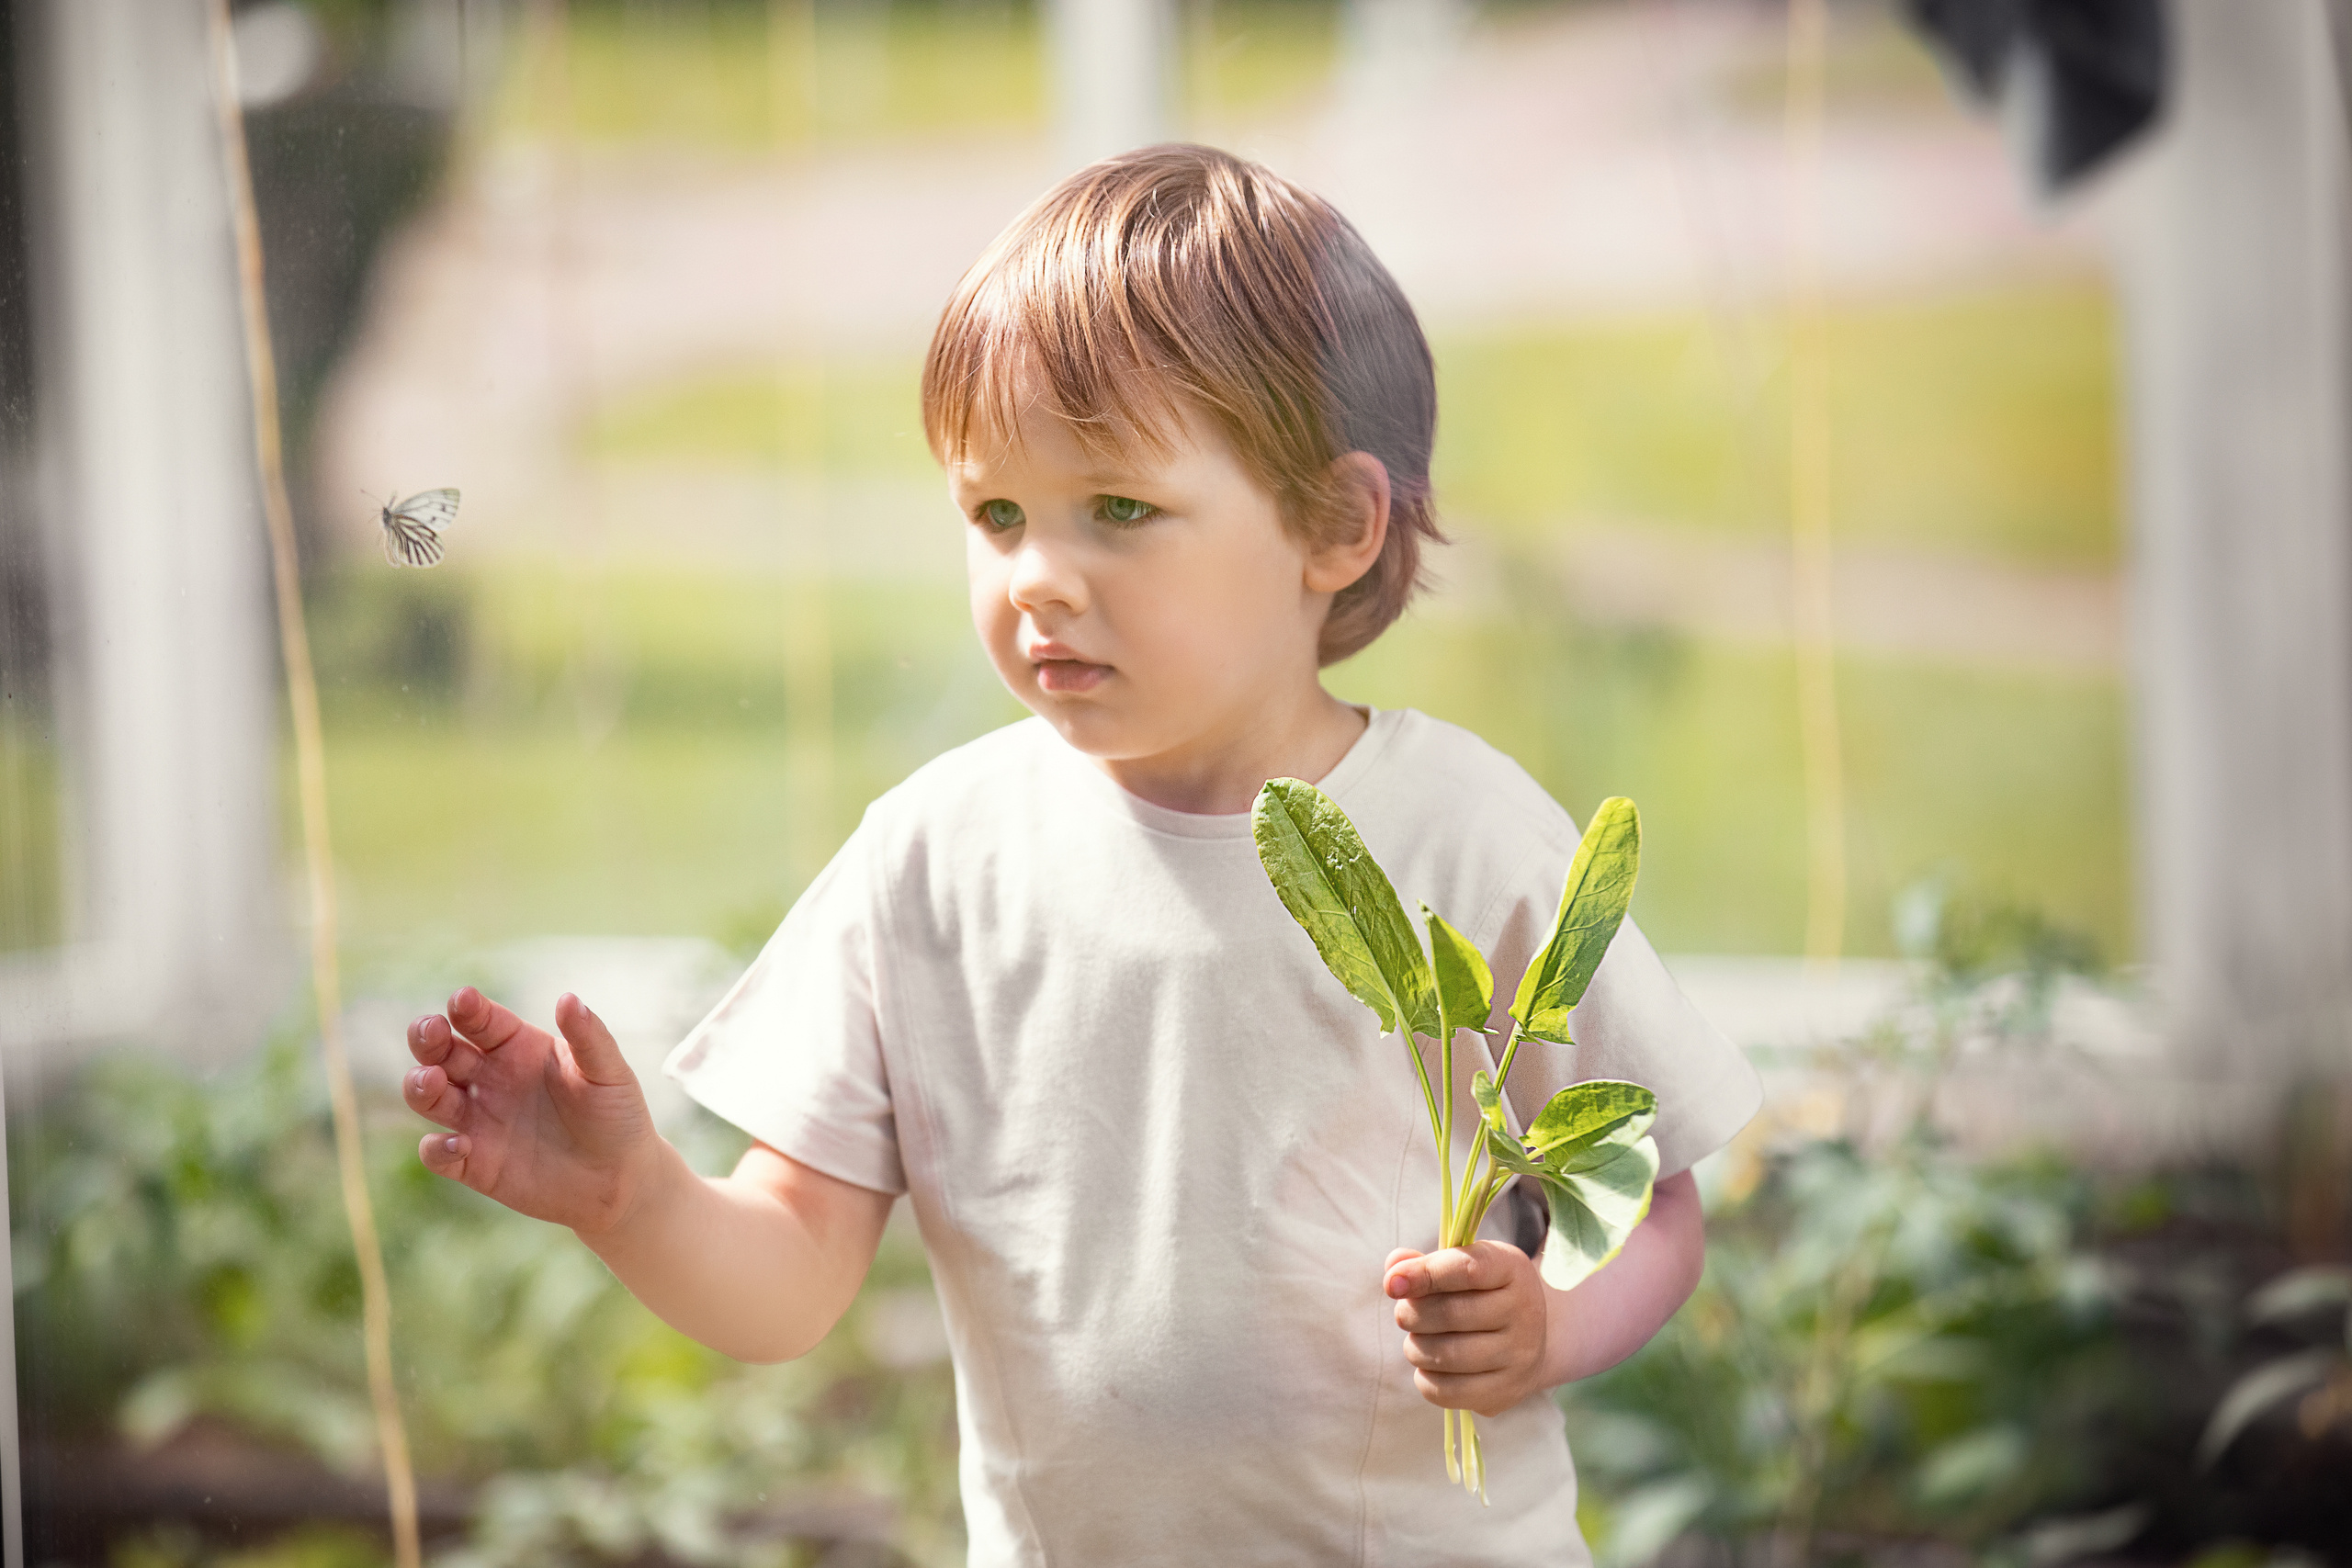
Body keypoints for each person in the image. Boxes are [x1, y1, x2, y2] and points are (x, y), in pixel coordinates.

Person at [402, 143, 1761, 1565]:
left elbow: (1651, 1201)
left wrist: (1551, 1322)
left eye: (1117, 509)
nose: (1036, 575)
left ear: (1335, 527)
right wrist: (634, 1198)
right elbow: (791, 1281)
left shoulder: (1465, 838)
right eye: (996, 515)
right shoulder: (933, 863)